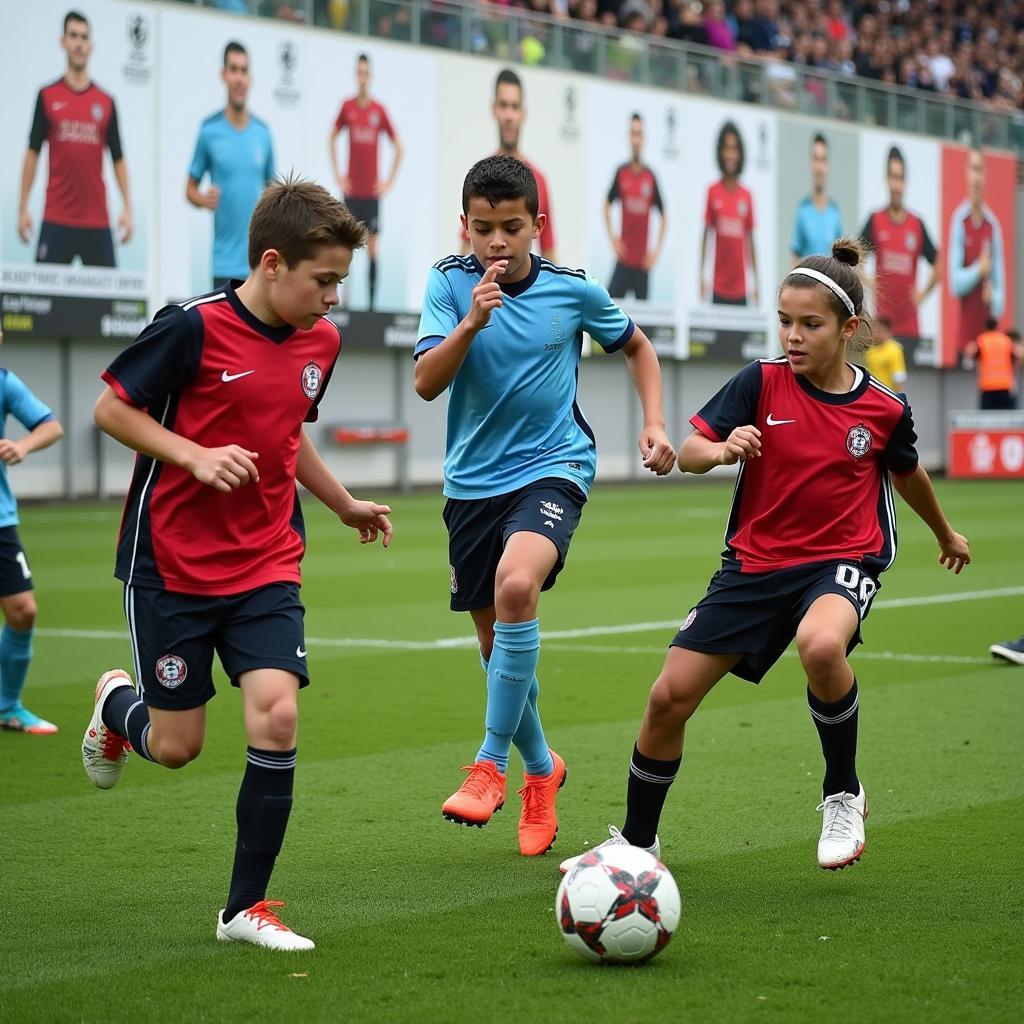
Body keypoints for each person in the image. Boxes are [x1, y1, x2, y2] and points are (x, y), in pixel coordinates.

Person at [560, 238, 970, 877]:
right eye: (784, 321)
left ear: (848, 329)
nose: (794, 336)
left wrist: (945, 534)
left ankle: (842, 792)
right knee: (668, 698)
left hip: (842, 561)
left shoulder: (884, 409)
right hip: (753, 566)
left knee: (821, 647)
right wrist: (723, 451)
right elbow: (694, 450)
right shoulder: (760, 381)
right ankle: (639, 844)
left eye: (810, 324)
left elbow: (908, 475)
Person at [80, 177, 393, 951]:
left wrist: (343, 502)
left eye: (340, 285)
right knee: (178, 748)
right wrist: (192, 455)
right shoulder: (190, 329)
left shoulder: (322, 340)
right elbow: (111, 408)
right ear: (273, 263)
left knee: (277, 715)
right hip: (172, 568)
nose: (332, 300)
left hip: (266, 563)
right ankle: (118, 706)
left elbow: (289, 432)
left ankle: (244, 909)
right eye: (323, 282)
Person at [416, 155, 675, 857]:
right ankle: (542, 770)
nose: (496, 243)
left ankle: (490, 763)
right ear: (464, 226)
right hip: (470, 485)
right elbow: (424, 384)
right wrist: (469, 324)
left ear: (537, 225)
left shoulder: (573, 292)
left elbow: (638, 347)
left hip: (553, 467)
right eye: (483, 229)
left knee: (516, 585)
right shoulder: (448, 283)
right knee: (499, 648)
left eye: (510, 228)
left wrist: (653, 420)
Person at [18, 10, 133, 267]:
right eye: (73, 36)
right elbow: (32, 153)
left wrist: (127, 208)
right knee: (46, 302)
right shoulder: (47, 95)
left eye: (83, 37)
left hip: (97, 221)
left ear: (90, 46)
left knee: (107, 303)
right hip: (57, 218)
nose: (79, 42)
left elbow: (119, 158)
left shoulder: (106, 102)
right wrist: (23, 209)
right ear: (64, 42)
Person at [0, 326, 64, 735]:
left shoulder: (5, 383)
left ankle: (8, 706)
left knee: (24, 610)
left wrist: (21, 447)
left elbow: (50, 426)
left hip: (1, 520)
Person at [187, 41, 276, 290]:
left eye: (244, 71)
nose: (239, 78)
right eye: (233, 70)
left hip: (259, 266)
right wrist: (202, 198)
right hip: (223, 265)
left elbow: (274, 194)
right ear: (223, 75)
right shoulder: (209, 131)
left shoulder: (263, 134)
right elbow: (189, 188)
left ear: (250, 78)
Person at [328, 53, 403, 311]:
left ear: (370, 77)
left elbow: (398, 146)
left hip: (371, 195)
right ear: (355, 75)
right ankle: (343, 300)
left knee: (372, 247)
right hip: (352, 193)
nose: (362, 78)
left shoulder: (378, 111)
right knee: (345, 245)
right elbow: (331, 137)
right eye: (358, 73)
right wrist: (339, 174)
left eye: (366, 73)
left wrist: (388, 182)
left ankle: (372, 307)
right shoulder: (347, 107)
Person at [459, 69, 557, 261]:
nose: (509, 116)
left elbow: (550, 254)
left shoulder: (539, 181)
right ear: (493, 109)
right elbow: (465, 252)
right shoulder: (479, 178)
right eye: (503, 106)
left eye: (515, 106)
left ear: (523, 113)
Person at [859, 146, 940, 341]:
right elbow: (857, 255)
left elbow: (939, 261)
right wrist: (868, 283)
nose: (897, 185)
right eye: (893, 177)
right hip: (882, 329)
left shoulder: (916, 224)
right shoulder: (875, 219)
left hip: (910, 328)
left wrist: (923, 294)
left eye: (901, 178)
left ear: (906, 182)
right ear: (887, 179)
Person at [604, 113, 666, 302]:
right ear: (629, 138)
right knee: (608, 308)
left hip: (642, 266)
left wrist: (656, 251)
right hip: (624, 261)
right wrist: (614, 239)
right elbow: (606, 204)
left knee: (644, 324)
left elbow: (664, 214)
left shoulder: (650, 176)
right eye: (633, 134)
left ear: (644, 139)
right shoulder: (621, 173)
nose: (636, 139)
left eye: (639, 134)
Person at [948, 147, 1005, 357]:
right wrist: (978, 271)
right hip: (964, 344)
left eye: (980, 170)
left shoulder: (993, 226)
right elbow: (955, 283)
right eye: (972, 169)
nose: (976, 177)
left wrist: (993, 299)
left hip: (989, 346)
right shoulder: (959, 221)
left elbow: (1001, 296)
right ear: (966, 173)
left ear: (985, 175)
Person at [700, 121, 758, 306]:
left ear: (740, 154)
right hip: (718, 289)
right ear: (720, 152)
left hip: (741, 290)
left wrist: (756, 283)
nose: (730, 154)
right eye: (726, 148)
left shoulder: (746, 195)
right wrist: (701, 276)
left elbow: (750, 240)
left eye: (734, 149)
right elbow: (706, 236)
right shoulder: (712, 191)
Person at [789, 133, 843, 266]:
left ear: (828, 165)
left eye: (823, 159)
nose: (819, 167)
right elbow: (794, 259)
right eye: (816, 159)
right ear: (811, 163)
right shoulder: (803, 210)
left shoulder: (835, 214)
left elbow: (840, 264)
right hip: (806, 286)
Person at [963, 319, 1022, 410]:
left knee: (987, 420)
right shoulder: (1006, 340)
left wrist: (970, 362)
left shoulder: (982, 340)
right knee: (1007, 418)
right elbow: (1019, 353)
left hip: (987, 386)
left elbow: (969, 350)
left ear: (986, 327)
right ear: (997, 326)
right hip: (1005, 384)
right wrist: (1014, 371)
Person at [864, 315, 908, 392]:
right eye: (873, 330)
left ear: (886, 331)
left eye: (878, 330)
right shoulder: (871, 350)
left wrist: (897, 398)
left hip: (887, 394)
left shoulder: (894, 349)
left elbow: (898, 378)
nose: (874, 333)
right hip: (872, 393)